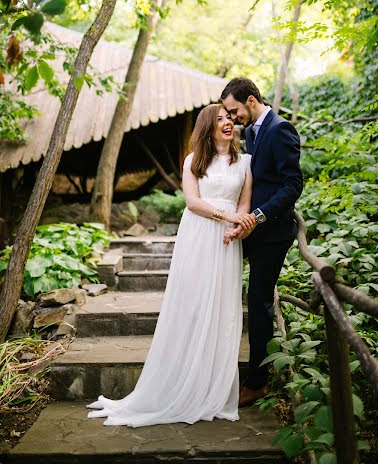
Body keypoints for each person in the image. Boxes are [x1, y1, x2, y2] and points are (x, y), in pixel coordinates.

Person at [87, 103, 254, 427]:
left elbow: (245, 205)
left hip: (227, 241)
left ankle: (213, 388)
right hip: (199, 235)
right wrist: (228, 216)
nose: (227, 123)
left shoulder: (245, 162)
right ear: (207, 127)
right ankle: (181, 380)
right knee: (191, 306)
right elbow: (192, 203)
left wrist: (238, 226)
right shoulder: (194, 161)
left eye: (229, 118)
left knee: (223, 311)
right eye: (219, 119)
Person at [221, 77, 303, 407]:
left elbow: (292, 183)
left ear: (251, 100)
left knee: (259, 303)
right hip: (251, 229)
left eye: (234, 110)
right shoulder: (253, 132)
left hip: (272, 233)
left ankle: (257, 382)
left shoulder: (280, 129)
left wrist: (259, 216)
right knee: (235, 294)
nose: (231, 117)